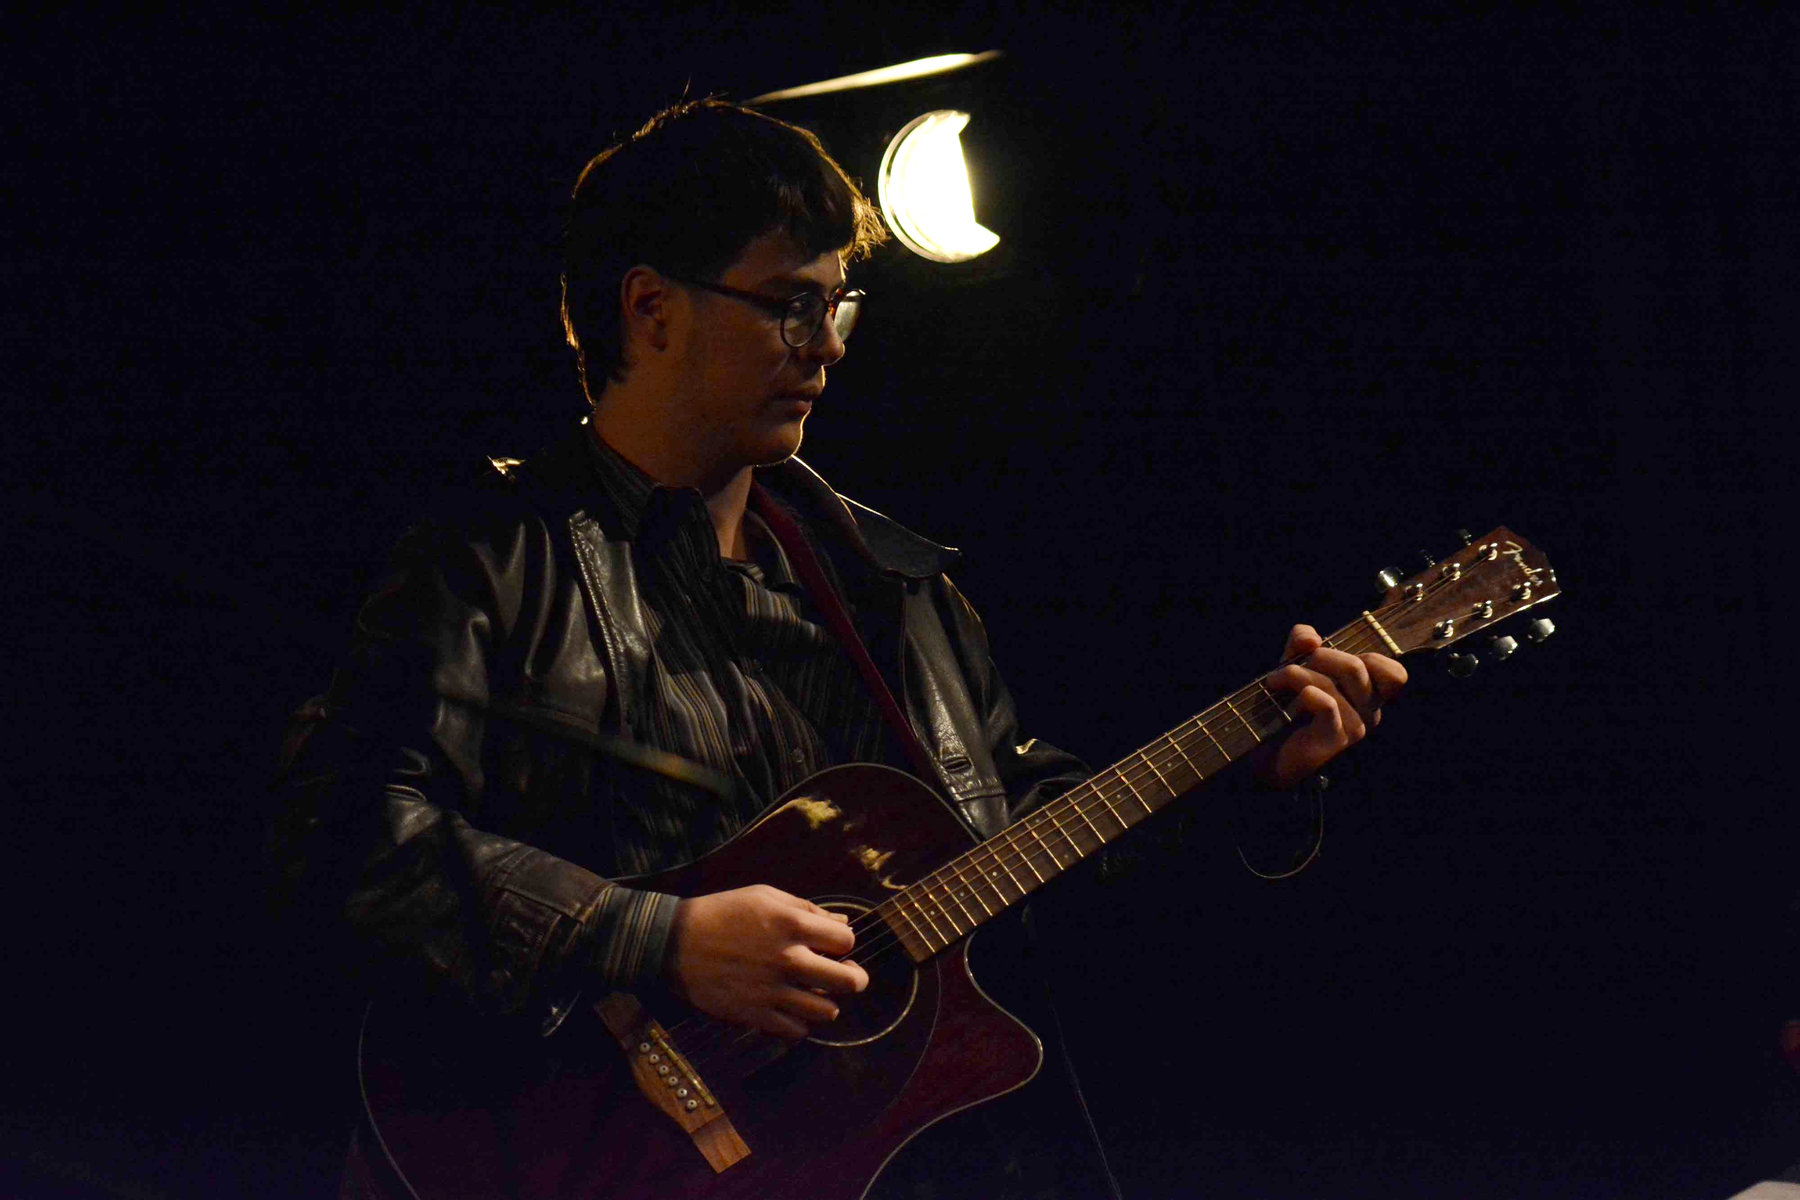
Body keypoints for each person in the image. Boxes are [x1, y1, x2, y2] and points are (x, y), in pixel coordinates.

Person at [273, 97, 1406, 1199]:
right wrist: (660, 938)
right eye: (788, 307)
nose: (826, 348)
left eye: (837, 308)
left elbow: (1022, 844)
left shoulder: (890, 586)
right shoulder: (491, 559)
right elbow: (339, 826)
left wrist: (1248, 777)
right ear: (650, 309)